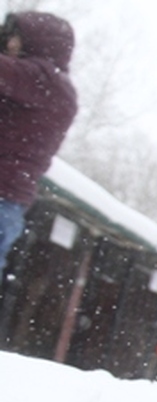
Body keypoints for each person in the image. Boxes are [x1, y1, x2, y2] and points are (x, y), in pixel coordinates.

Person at [0, 11, 76, 275]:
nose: (10, 45)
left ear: (37, 42)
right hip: (11, 201)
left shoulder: (41, 78)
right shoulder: (58, 91)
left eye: (15, 39)